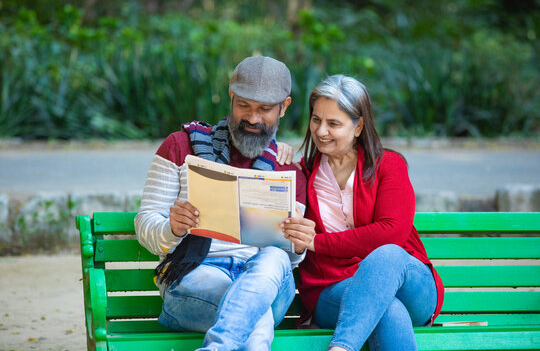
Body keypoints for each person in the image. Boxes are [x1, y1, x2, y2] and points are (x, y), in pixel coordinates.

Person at [135, 55, 314, 351]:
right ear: (230, 97)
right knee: (257, 320)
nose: (253, 119)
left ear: (284, 107)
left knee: (276, 259)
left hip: (265, 280)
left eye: (265, 109)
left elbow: (291, 261)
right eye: (244, 105)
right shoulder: (181, 146)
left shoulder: (289, 172)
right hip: (194, 278)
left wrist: (297, 244)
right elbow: (145, 223)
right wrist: (172, 229)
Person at [281, 75, 444, 351]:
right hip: (332, 287)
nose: (320, 131)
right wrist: (277, 152)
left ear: (358, 126)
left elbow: (392, 233)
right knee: (386, 309)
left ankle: (343, 346)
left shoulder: (388, 166)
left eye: (333, 124)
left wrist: (317, 242)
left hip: (409, 285)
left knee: (388, 252)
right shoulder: (302, 175)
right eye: (316, 120)